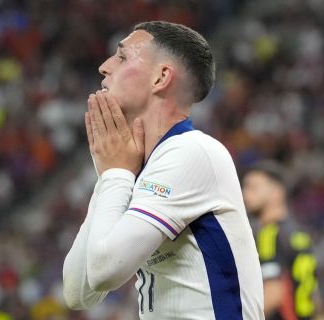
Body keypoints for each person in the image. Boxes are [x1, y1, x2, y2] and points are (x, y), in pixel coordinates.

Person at [62, 20, 264, 319]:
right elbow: (78, 291)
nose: (104, 67)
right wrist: (112, 175)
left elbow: (105, 272)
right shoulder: (140, 167)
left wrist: (115, 175)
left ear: (160, 77)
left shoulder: (192, 152)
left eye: (121, 57)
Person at [242, 161, 319, 320]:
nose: (245, 195)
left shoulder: (269, 234)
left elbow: (273, 293)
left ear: (277, 193)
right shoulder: (301, 234)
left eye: (253, 188)